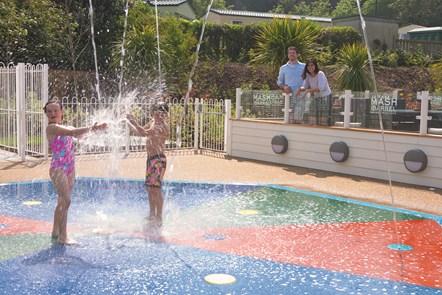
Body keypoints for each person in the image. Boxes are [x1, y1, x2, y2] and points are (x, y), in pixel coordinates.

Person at [44, 99, 107, 244]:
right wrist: (93, 127)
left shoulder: (67, 126)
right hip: (58, 168)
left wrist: (98, 130)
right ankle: (63, 237)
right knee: (66, 200)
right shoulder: (51, 128)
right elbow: (73, 132)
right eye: (49, 111)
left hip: (70, 167)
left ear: (62, 111)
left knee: (62, 201)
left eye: (55, 110)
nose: (53, 113)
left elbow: (80, 134)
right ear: (46, 114)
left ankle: (55, 230)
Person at [126, 102, 170, 230]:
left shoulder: (162, 126)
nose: (160, 116)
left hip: (158, 160)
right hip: (150, 159)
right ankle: (152, 215)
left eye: (163, 114)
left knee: (156, 189)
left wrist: (133, 121)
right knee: (149, 188)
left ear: (166, 115)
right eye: (157, 113)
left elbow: (144, 132)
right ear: (153, 113)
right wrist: (128, 123)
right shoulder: (152, 122)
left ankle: (159, 218)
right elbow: (139, 133)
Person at [295, 58, 332, 125]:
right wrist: (299, 89)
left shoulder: (320, 74)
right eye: (308, 66)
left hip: (325, 97)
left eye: (312, 65)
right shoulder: (308, 75)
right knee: (312, 114)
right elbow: (304, 86)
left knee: (322, 117)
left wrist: (308, 90)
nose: (310, 67)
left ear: (315, 66)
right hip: (315, 97)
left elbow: (320, 88)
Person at [277, 46, 306, 123]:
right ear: (288, 55)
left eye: (293, 53)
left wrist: (303, 89)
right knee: (290, 119)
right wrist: (285, 87)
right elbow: (279, 81)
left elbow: (308, 80)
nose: (291, 54)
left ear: (297, 55)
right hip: (288, 96)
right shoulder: (283, 68)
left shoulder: (304, 66)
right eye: (290, 53)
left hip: (301, 96)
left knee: (300, 118)